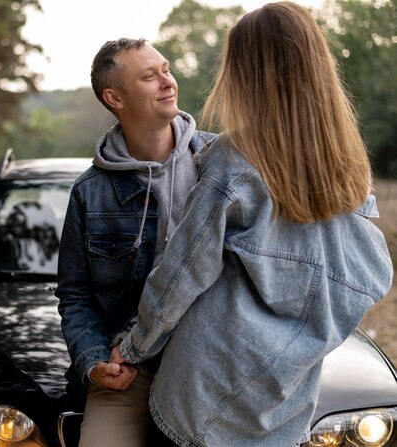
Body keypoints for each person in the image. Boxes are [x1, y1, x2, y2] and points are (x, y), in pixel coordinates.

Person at [110, 3, 394, 446]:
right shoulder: (349, 171)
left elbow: (181, 274)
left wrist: (133, 348)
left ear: (247, 75)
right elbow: (367, 277)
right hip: (283, 413)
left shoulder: (234, 159)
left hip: (197, 406)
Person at [55, 38, 214, 447]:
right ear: (115, 97)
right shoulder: (90, 193)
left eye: (166, 68)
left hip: (211, 359)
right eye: (149, 75)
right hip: (127, 362)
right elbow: (75, 296)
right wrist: (92, 362)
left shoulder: (219, 163)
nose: (167, 81)